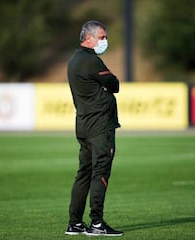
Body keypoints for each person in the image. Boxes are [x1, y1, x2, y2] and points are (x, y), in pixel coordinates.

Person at [65, 20, 123, 237]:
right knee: (100, 172)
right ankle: (96, 223)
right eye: (102, 37)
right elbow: (114, 84)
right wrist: (108, 86)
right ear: (88, 38)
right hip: (100, 126)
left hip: (84, 124)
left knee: (84, 173)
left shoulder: (74, 60)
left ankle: (75, 223)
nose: (105, 41)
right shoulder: (91, 61)